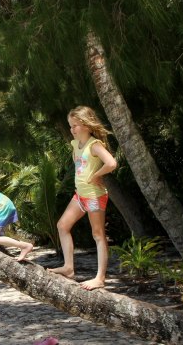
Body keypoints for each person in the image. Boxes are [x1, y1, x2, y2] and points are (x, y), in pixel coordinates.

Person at [49, 106, 117, 291]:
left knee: (98, 234)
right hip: (80, 195)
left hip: (94, 195)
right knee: (62, 226)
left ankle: (100, 278)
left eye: (75, 125)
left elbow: (111, 163)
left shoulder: (94, 145)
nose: (72, 129)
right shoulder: (75, 145)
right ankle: (69, 267)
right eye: (70, 126)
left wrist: (96, 175)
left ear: (87, 125)